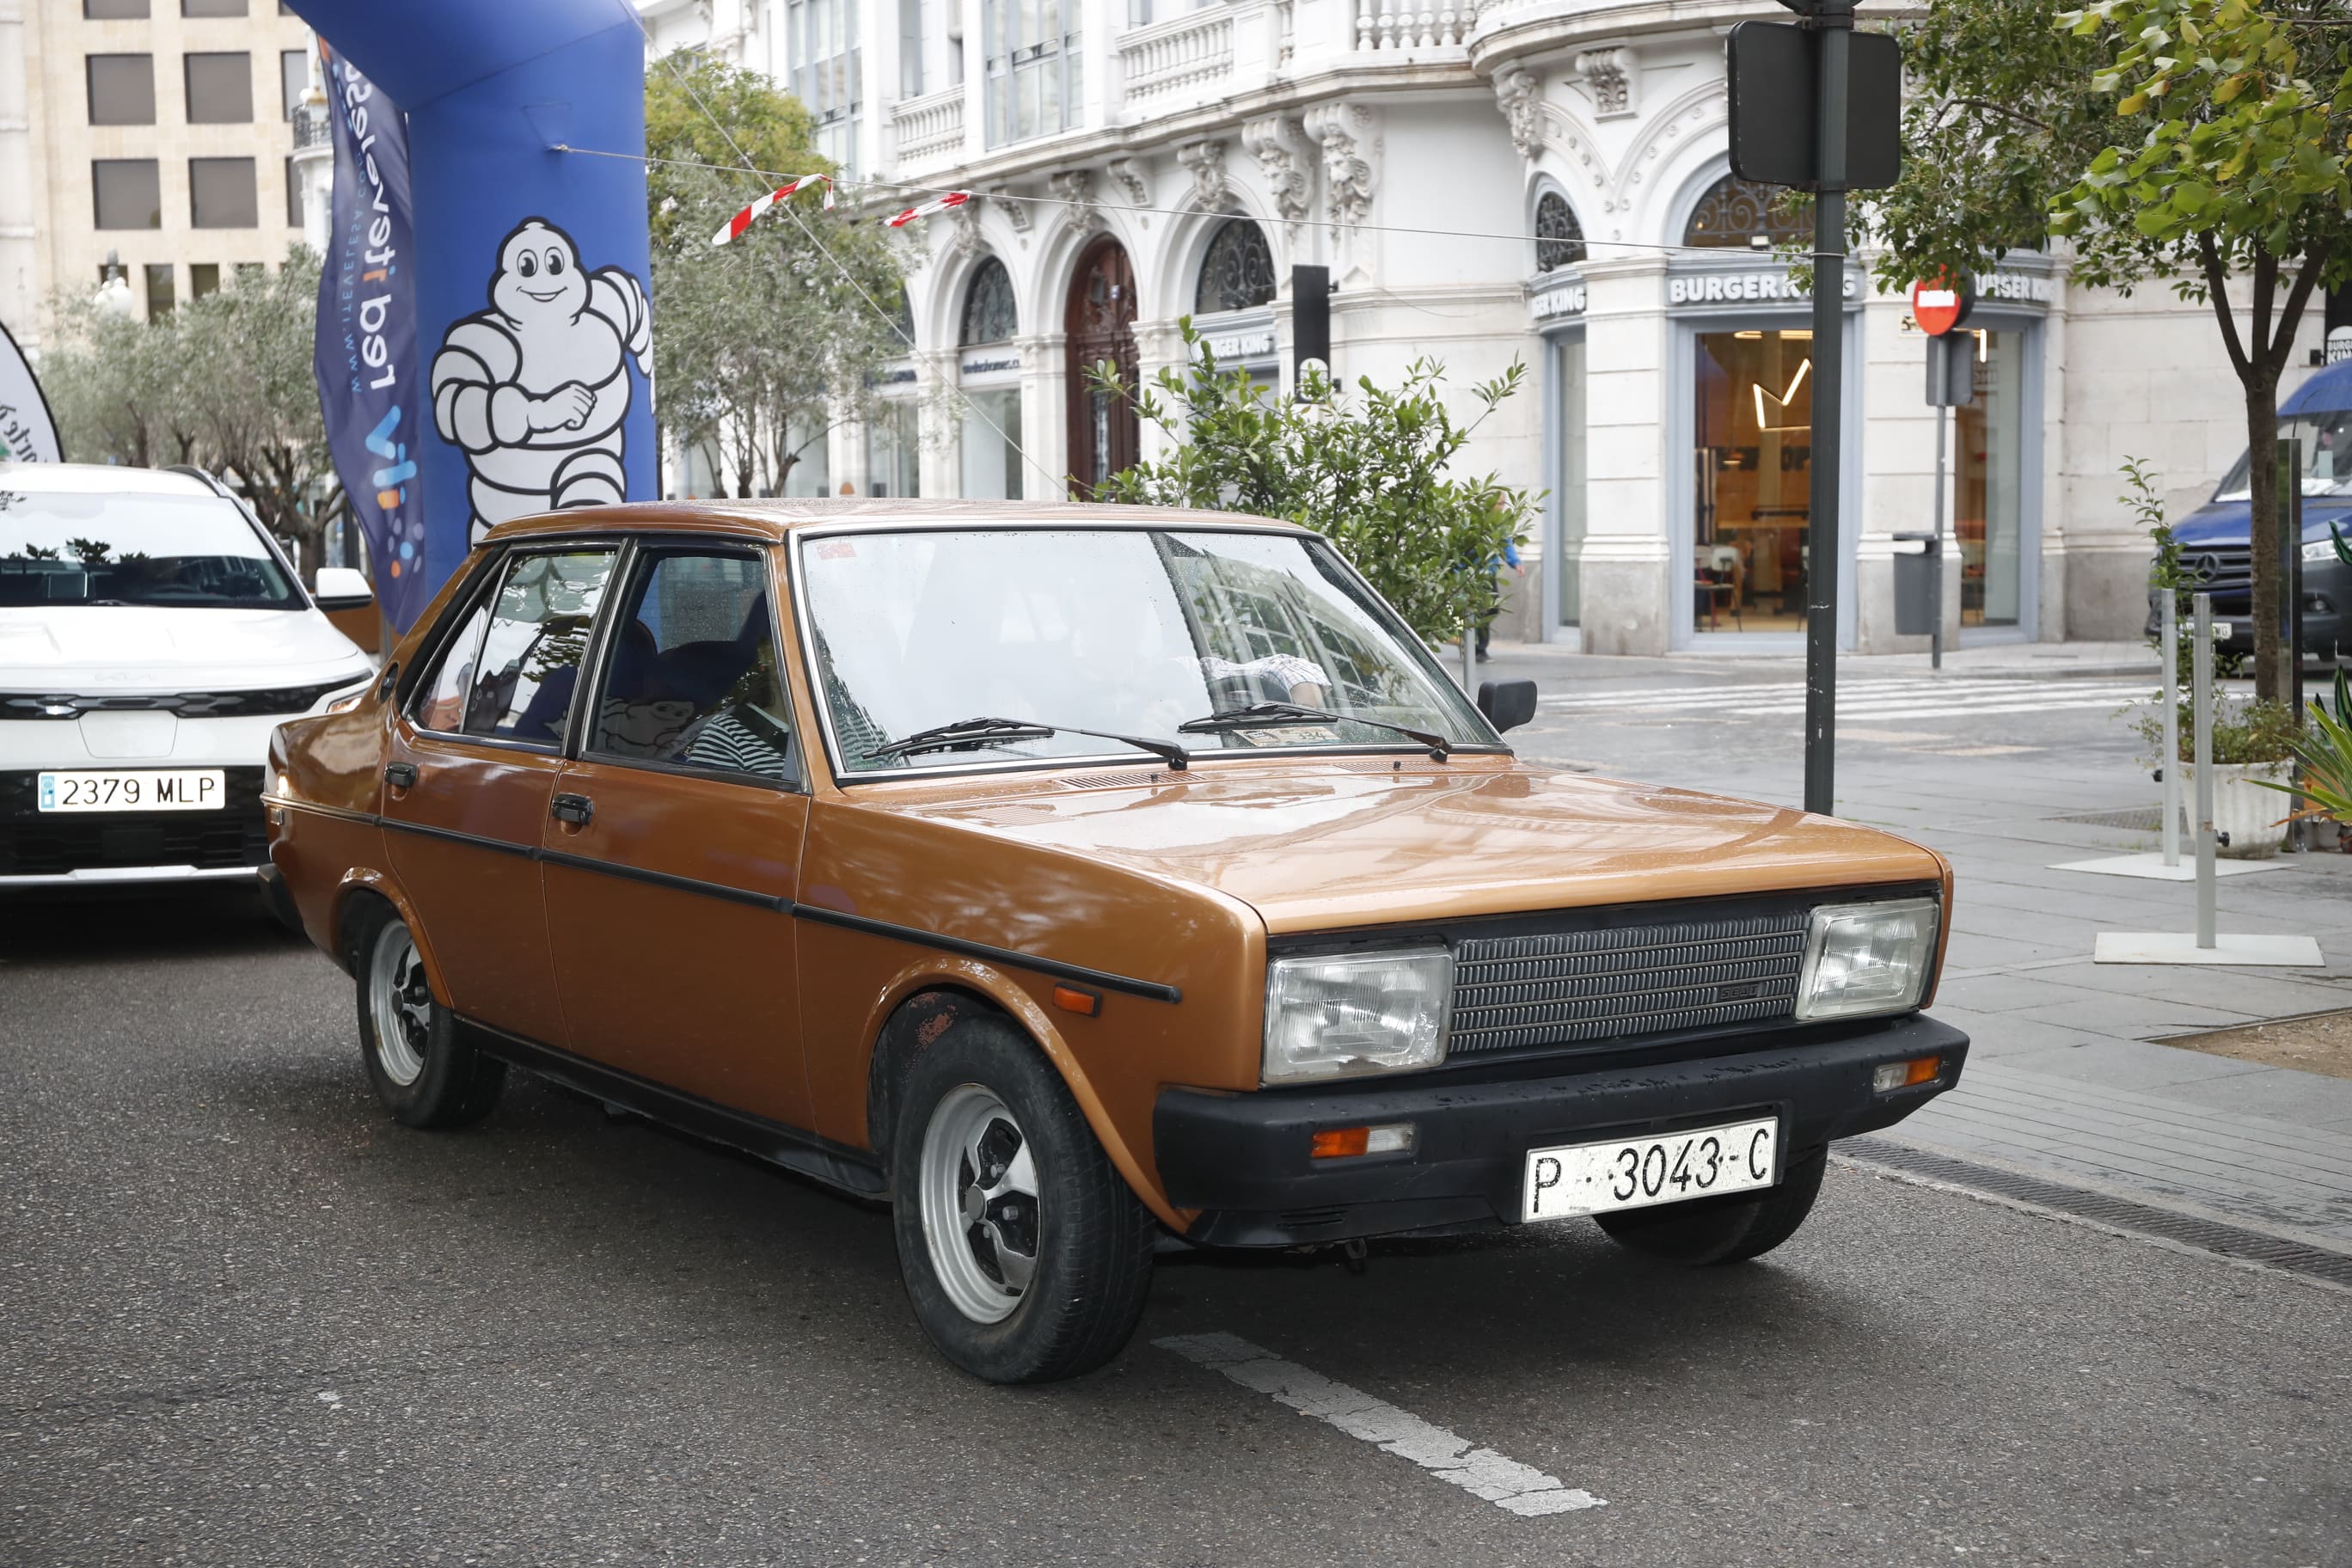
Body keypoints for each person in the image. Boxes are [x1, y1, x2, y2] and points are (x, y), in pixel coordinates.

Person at [1474, 538, 1523, 661]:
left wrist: (1515, 562)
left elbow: (1505, 540)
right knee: (1481, 611)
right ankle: (1478, 649)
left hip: (1489, 572)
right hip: (1472, 573)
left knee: (1491, 610)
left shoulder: (1497, 522)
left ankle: (1476, 646)